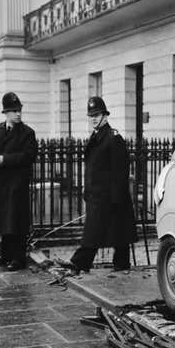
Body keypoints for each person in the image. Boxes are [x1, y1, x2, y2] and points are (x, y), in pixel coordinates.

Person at [67, 96, 137, 273]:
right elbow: (93, 167)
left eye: (97, 114)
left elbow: (121, 170)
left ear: (105, 116)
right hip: (97, 194)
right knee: (107, 232)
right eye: (91, 115)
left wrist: (115, 199)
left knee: (103, 232)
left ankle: (80, 263)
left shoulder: (113, 138)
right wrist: (86, 187)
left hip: (110, 196)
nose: (94, 118)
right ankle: (117, 265)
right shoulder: (97, 136)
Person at [0, 92, 38, 271]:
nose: (18, 114)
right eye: (14, 111)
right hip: (0, 183)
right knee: (3, 221)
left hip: (17, 184)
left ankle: (18, 259)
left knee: (16, 222)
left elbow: (28, 156)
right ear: (5, 113)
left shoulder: (27, 133)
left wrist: (4, 159)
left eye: (19, 110)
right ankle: (5, 254)